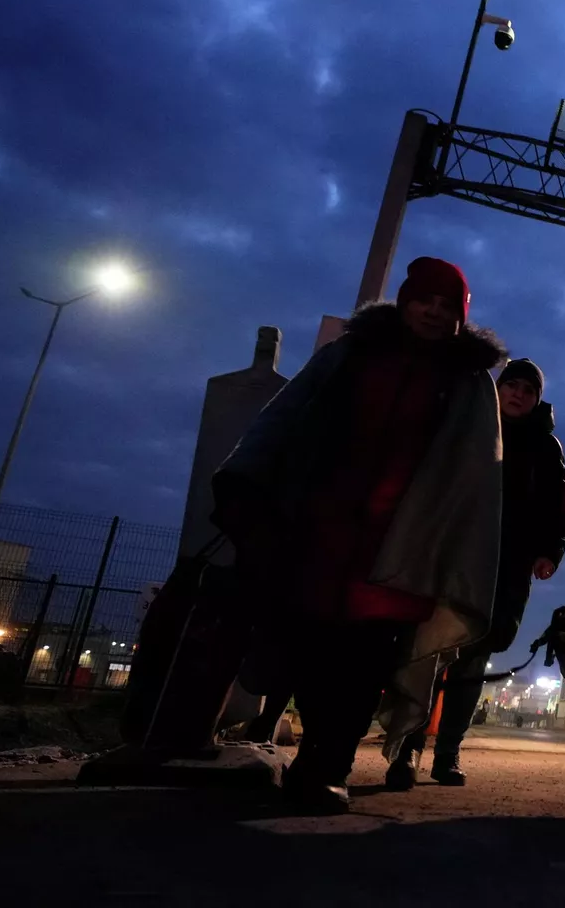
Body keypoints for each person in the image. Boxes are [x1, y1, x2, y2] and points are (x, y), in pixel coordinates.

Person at [213, 256, 506, 814]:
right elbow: (286, 413)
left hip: (404, 546)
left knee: (366, 655)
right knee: (311, 643)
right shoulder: (352, 354)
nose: (434, 313)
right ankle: (315, 755)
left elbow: (475, 477)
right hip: (320, 532)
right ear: (404, 301)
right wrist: (241, 478)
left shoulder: (468, 383)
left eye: (448, 308)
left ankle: (331, 764)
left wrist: (455, 551)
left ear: (460, 319)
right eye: (426, 300)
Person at [387, 357, 565, 789]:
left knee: (472, 660)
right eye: (512, 385)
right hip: (454, 557)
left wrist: (549, 553)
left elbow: (556, 506)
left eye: (528, 389)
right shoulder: (472, 427)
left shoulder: (546, 446)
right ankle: (408, 751)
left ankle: (447, 754)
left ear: (537, 399)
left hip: (507, 565)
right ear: (498, 389)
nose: (518, 394)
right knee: (430, 652)